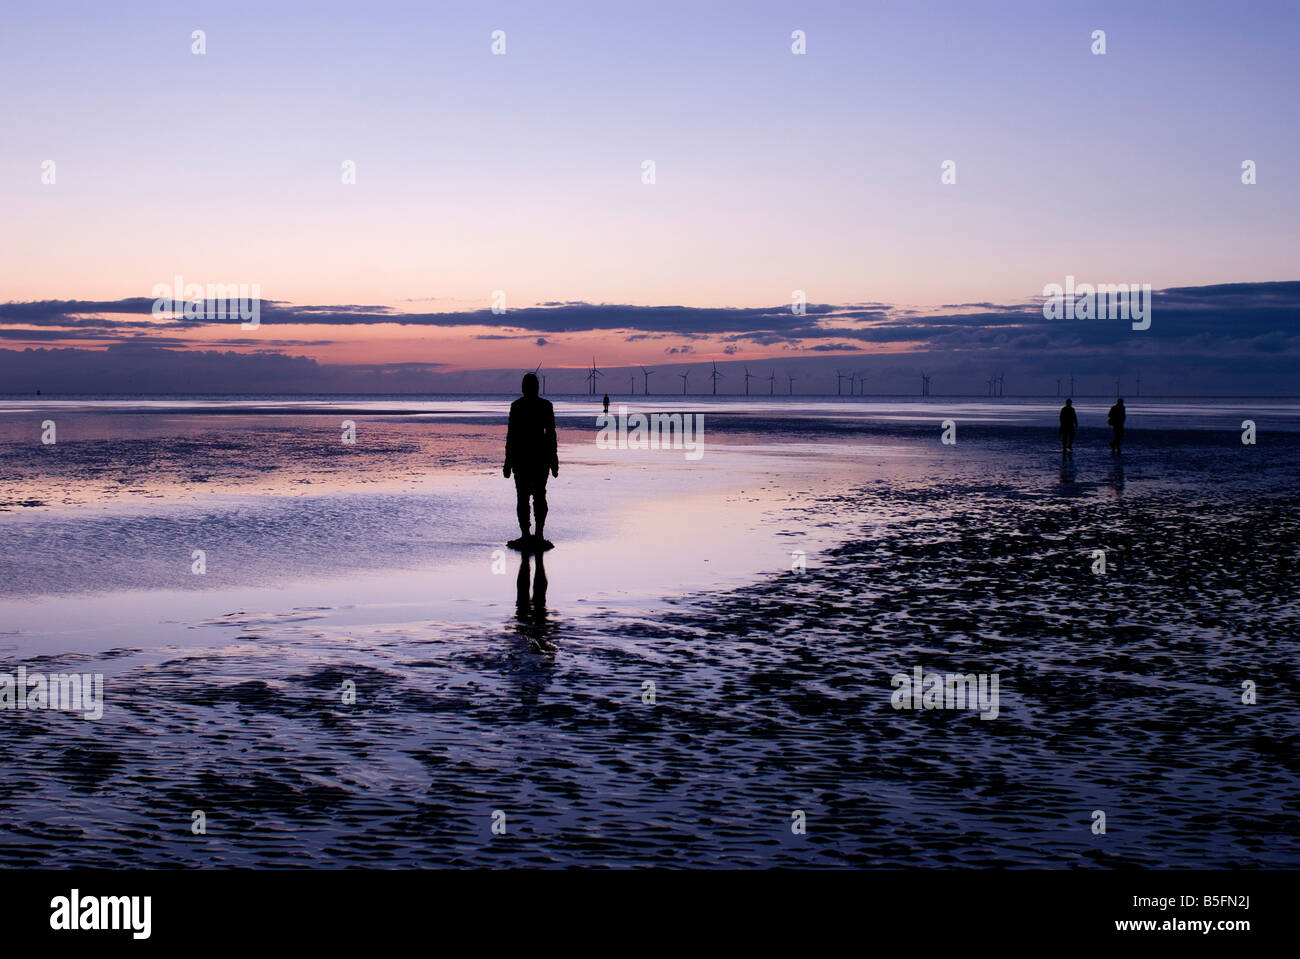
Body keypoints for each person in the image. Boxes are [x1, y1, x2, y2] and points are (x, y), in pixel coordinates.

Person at [504, 372, 558, 549]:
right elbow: (550, 435)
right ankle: (534, 534)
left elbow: (512, 436)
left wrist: (508, 461)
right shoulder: (544, 406)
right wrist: (553, 460)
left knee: (527, 497)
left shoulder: (518, 406)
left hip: (525, 457)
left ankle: (531, 534)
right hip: (536, 457)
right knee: (535, 497)